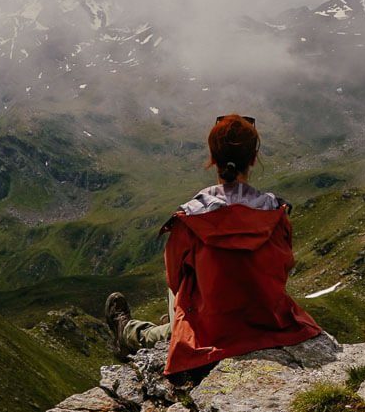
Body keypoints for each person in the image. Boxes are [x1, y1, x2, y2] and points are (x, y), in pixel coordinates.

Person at [105, 114, 322, 376]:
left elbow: (174, 280)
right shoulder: (276, 213)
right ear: (253, 159)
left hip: (213, 328)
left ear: (212, 158)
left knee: (183, 293)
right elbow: (284, 266)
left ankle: (130, 333)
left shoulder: (190, 218)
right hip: (268, 319)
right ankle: (155, 328)